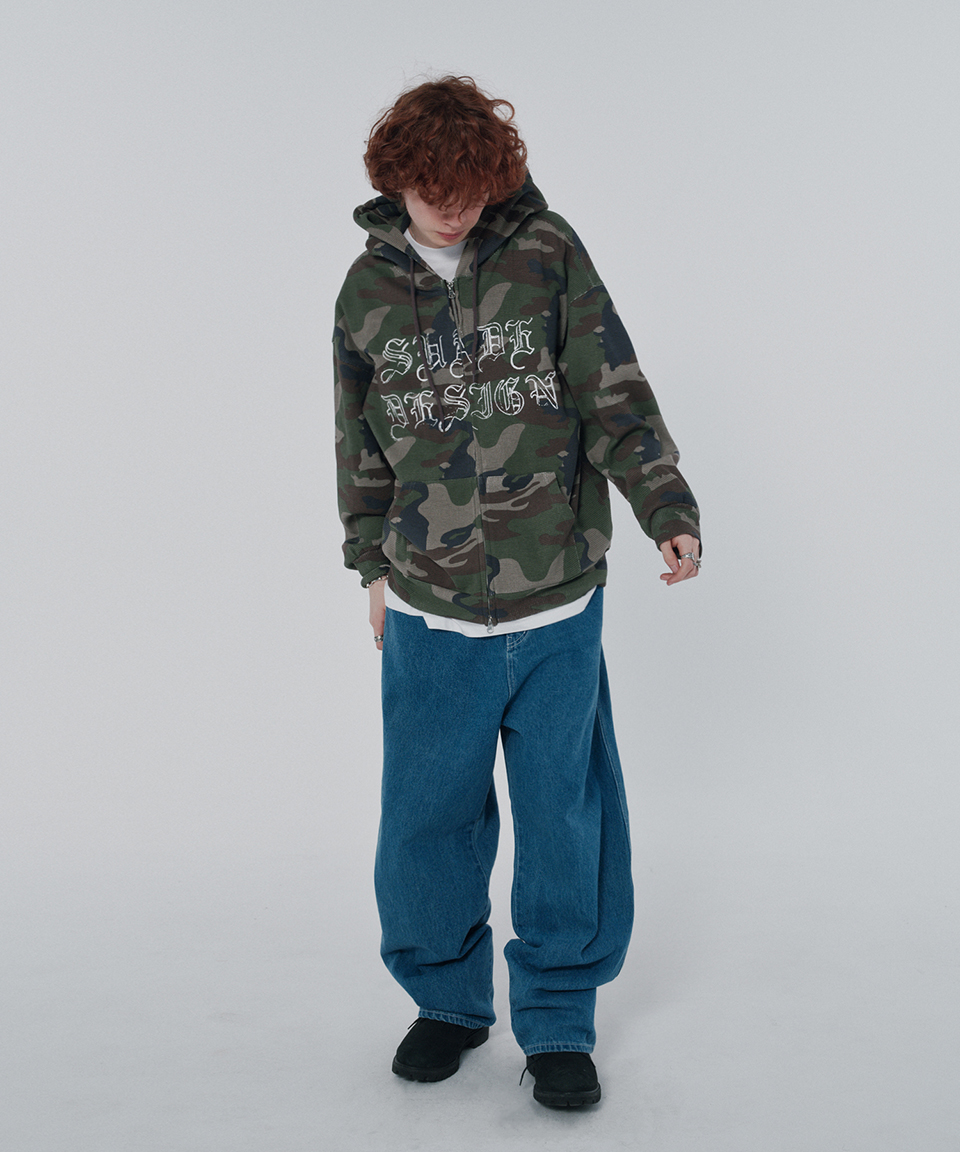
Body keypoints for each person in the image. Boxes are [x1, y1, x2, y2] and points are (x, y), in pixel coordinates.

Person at [333, 76, 700, 1108]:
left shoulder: (548, 252)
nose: (452, 211)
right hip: (429, 611)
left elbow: (613, 389)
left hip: (556, 604)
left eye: (469, 192)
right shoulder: (364, 294)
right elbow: (357, 444)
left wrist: (665, 505)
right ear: (396, 182)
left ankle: (559, 1016)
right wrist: (370, 566)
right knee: (426, 820)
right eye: (432, 192)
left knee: (564, 817)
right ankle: (447, 1004)